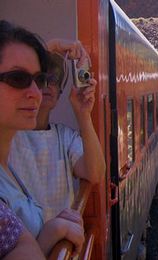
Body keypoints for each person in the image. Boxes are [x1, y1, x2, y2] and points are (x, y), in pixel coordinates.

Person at [0, 20, 84, 256]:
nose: (37, 93)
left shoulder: (7, 168)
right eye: (18, 79)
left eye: (39, 80)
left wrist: (49, 234)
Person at [9, 41, 105, 222]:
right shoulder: (8, 135)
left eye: (53, 80)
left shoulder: (65, 136)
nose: (47, 85)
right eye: (41, 79)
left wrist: (83, 114)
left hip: (60, 247)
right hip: (21, 247)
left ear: (60, 93)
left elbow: (96, 173)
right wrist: (51, 46)